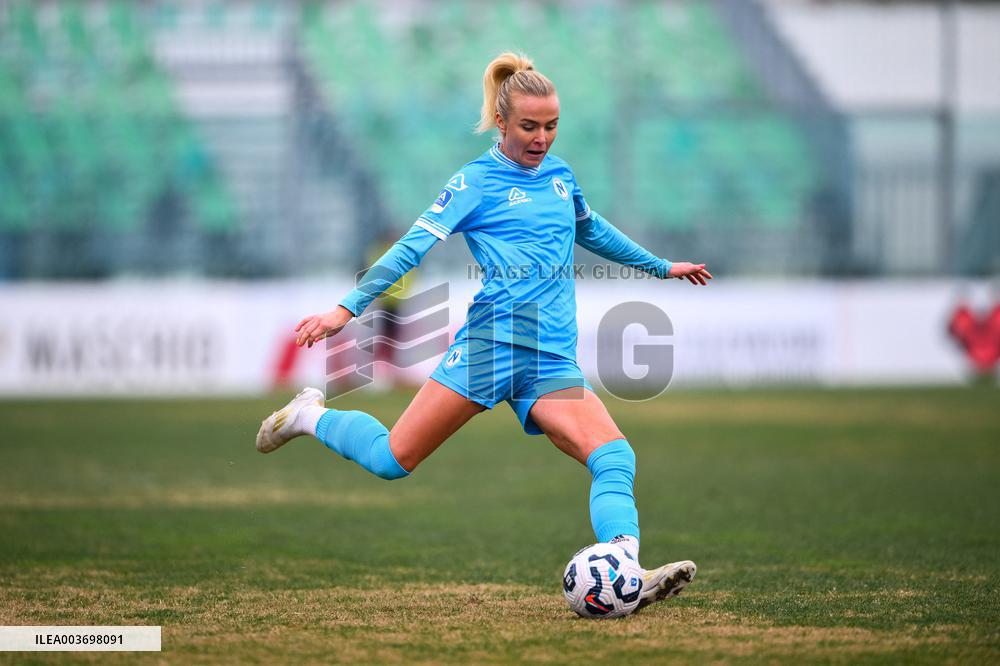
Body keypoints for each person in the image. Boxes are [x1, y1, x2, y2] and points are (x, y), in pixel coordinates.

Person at [256, 52, 713, 613]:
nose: (542, 137)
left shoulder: (561, 176)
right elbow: (412, 248)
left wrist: (661, 266)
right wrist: (344, 310)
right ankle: (310, 415)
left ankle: (623, 566)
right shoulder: (475, 182)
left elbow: (594, 232)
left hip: (549, 360)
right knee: (391, 460)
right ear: (502, 122)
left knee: (614, 455)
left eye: (551, 126)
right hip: (490, 348)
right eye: (529, 126)